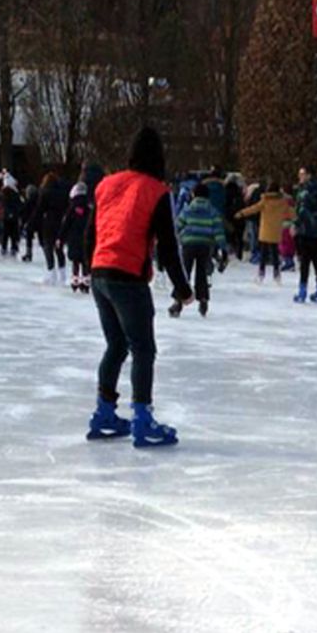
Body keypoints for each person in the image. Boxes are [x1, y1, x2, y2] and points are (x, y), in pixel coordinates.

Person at [84, 127, 193, 448]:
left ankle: (104, 412)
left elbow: (91, 233)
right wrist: (183, 290)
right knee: (143, 348)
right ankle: (142, 420)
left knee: (115, 346)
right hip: (128, 277)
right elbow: (169, 248)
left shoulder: (106, 185)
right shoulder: (156, 191)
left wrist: (93, 266)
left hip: (100, 273)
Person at [174, 183, 227, 317]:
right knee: (202, 273)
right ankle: (203, 300)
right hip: (205, 245)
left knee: (185, 272)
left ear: (194, 195)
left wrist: (174, 238)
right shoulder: (213, 211)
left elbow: (178, 225)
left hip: (189, 244)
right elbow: (219, 232)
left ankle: (178, 302)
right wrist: (223, 248)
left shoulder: (188, 209)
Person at [236, 181, 291, 286]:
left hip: (265, 230)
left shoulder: (265, 200)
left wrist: (242, 213)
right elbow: (290, 212)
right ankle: (277, 275)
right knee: (275, 254)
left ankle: (261, 274)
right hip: (276, 231)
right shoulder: (282, 202)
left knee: (263, 254)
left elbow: (253, 209)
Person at [294, 166, 317, 303]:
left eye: (302, 174)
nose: (300, 176)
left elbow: (302, 210)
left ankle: (302, 290)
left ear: (309, 175)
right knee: (316, 260)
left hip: (306, 229)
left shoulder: (304, 190)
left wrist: (296, 224)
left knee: (305, 260)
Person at [36, 172, 69, 285]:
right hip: (60, 222)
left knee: (48, 247)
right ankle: (62, 273)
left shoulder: (44, 193)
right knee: (59, 248)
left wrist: (32, 223)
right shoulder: (63, 193)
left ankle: (51, 272)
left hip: (48, 222)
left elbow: (40, 209)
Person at [59, 180, 91, 294]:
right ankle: (86, 281)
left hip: (73, 239)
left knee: (76, 262)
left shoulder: (71, 209)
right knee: (85, 261)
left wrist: (60, 238)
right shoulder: (89, 209)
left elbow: (65, 225)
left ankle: (75, 280)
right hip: (86, 240)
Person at [0, 173, 22, 257]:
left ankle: (4, 247)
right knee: (13, 233)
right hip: (14, 215)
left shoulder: (2, 193)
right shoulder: (15, 193)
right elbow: (19, 205)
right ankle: (13, 247)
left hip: (4, 215)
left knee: (5, 232)